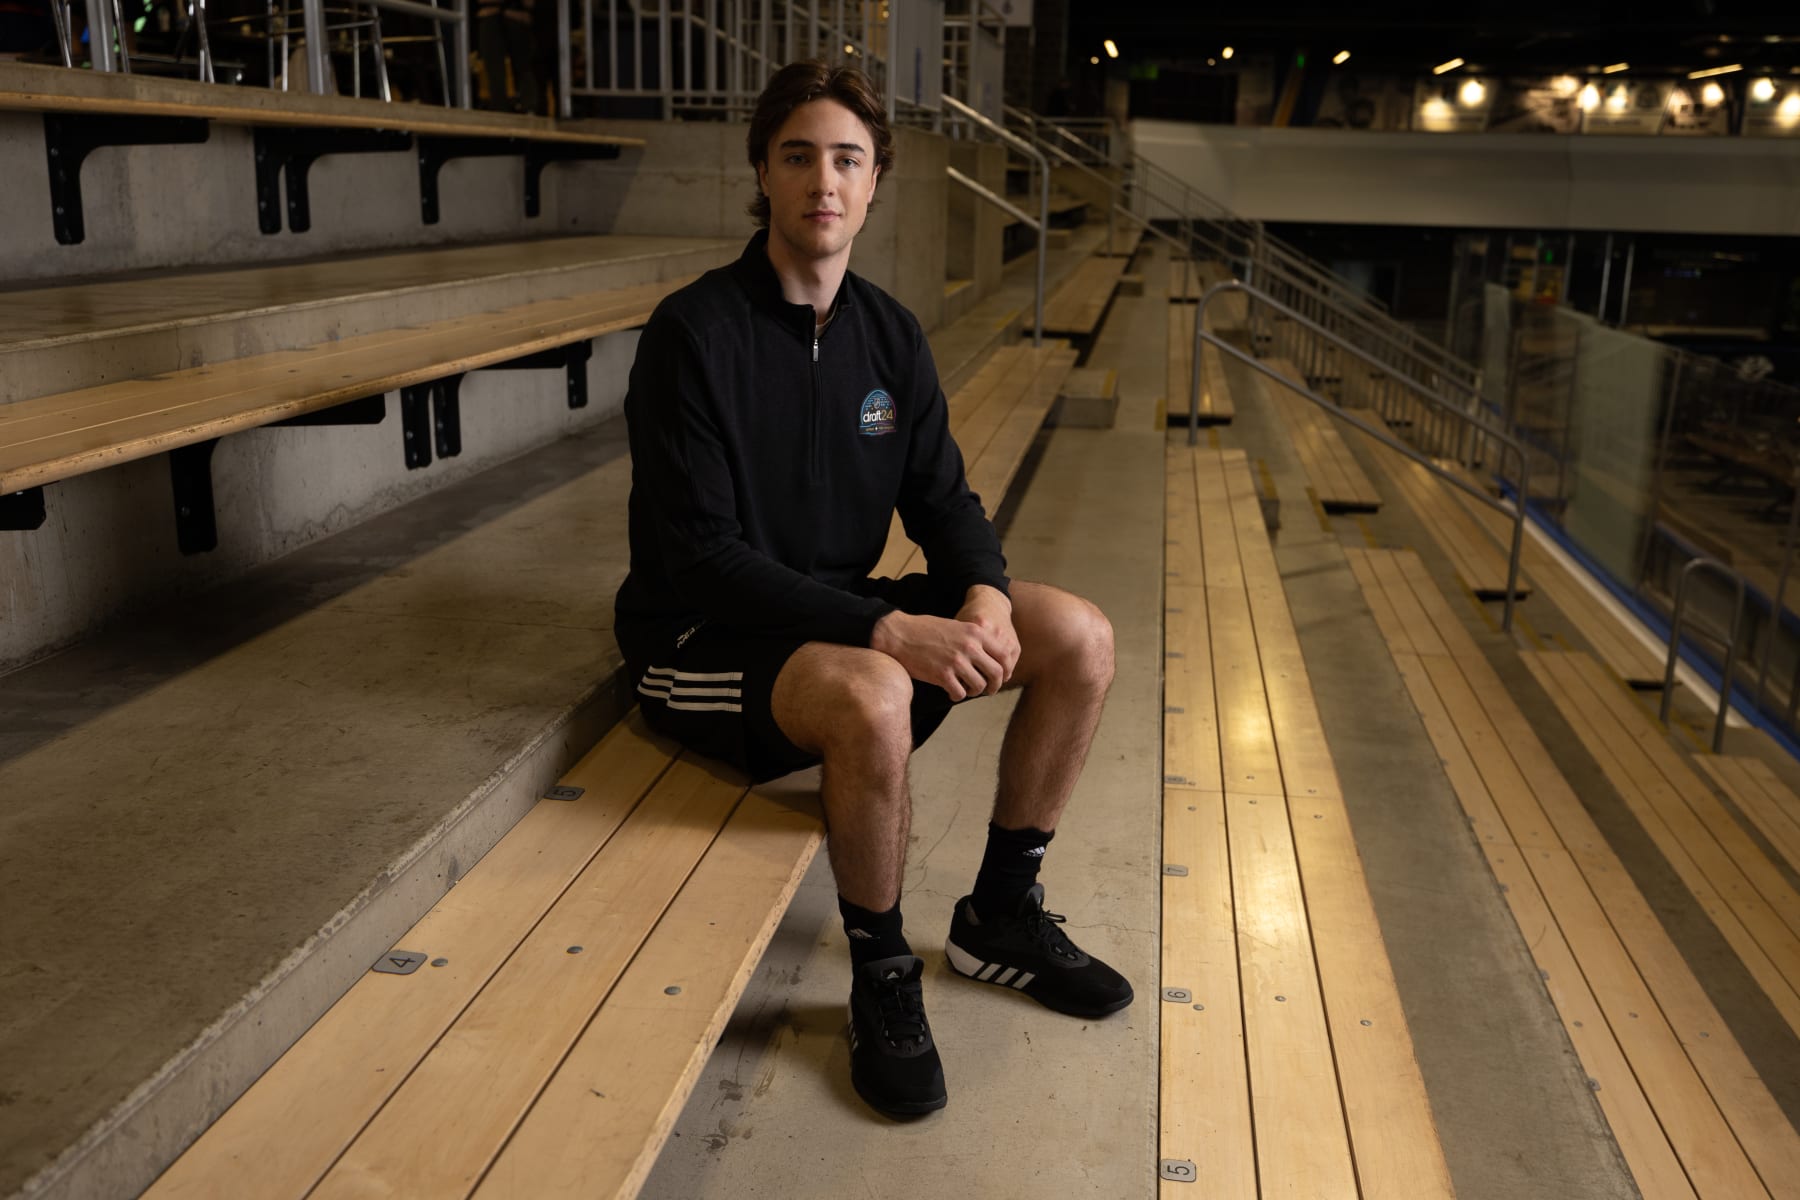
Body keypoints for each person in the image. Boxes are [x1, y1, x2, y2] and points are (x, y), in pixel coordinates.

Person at [614, 59, 1132, 1120]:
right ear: (764, 170)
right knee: (875, 692)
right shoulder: (693, 336)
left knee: (1075, 633)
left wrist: (982, 594)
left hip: (838, 614)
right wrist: (891, 628)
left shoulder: (889, 333)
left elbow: (944, 502)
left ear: (875, 181)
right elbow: (705, 556)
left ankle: (1000, 912)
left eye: (847, 158)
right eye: (798, 155)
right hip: (704, 640)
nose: (823, 180)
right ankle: (884, 972)